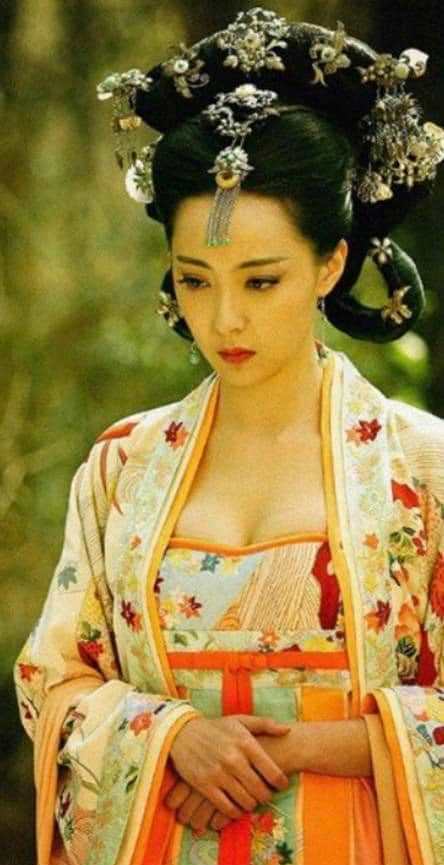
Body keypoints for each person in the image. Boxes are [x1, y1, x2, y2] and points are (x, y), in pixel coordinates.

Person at [13, 8, 444, 865]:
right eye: (195, 280)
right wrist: (171, 735)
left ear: (330, 262)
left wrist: (305, 746)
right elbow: (53, 680)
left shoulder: (423, 466)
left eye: (261, 280)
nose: (225, 318)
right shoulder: (123, 467)